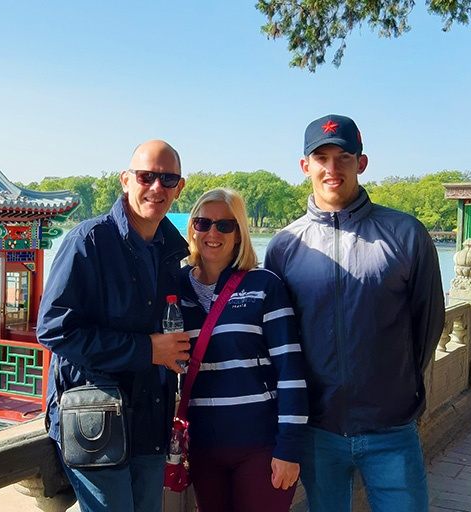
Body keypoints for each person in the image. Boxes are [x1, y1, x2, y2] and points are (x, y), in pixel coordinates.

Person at [264, 114, 445, 512]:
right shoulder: (284, 247)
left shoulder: (407, 234)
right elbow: (279, 339)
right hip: (317, 429)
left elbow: (428, 323)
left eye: (343, 157)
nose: (332, 168)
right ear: (305, 166)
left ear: (361, 162)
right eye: (321, 157)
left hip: (391, 428)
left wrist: (397, 389)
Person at [37, 140, 191, 512]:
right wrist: (147, 350)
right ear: (126, 180)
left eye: (168, 179)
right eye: (146, 176)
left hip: (151, 421)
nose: (157, 187)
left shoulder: (171, 251)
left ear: (179, 187)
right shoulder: (88, 241)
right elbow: (54, 328)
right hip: (96, 419)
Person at [178, 188, 308, 512]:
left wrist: (289, 447)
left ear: (239, 234)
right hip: (202, 447)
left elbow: (291, 372)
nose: (212, 233)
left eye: (225, 225)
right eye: (203, 223)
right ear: (192, 228)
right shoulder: (173, 288)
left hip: (260, 446)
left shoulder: (264, 285)